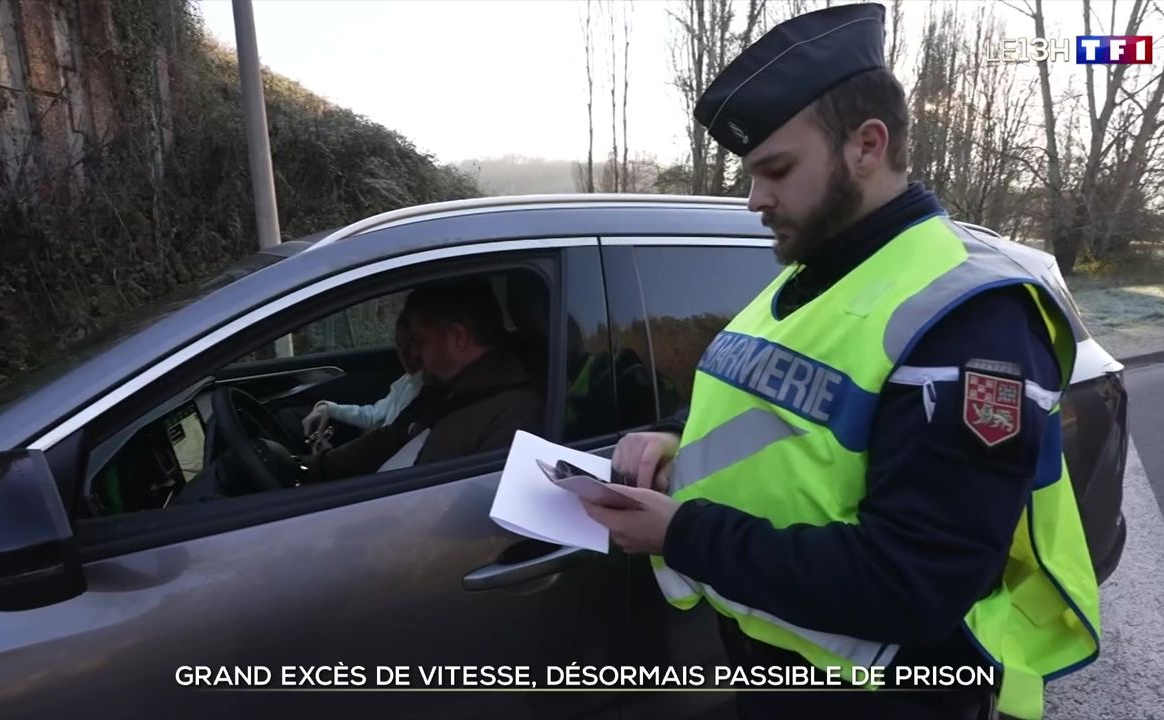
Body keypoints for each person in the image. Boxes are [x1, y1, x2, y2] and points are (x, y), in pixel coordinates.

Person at [577, 5, 1100, 720]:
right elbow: (776, 406)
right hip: (779, 666)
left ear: (866, 145)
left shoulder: (972, 318)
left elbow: (916, 581)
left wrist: (681, 535)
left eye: (776, 169)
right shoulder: (817, 274)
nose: (755, 199)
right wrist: (671, 434)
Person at [305, 279, 543, 482]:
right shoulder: (443, 390)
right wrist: (314, 467)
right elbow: (389, 438)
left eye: (420, 340)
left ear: (458, 339)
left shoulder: (513, 414)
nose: (414, 353)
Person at [300, 309, 424, 452]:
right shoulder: (406, 381)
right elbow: (372, 416)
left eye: (412, 344)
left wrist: (327, 457)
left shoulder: (427, 394)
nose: (405, 353)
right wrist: (329, 408)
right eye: (400, 345)